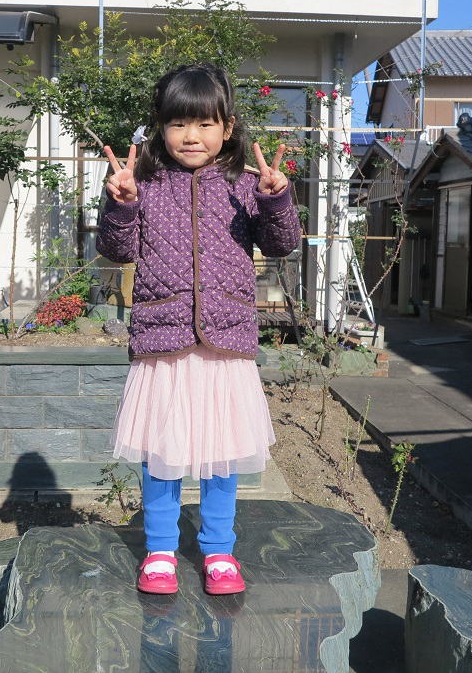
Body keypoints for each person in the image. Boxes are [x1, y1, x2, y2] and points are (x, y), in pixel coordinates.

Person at [95, 63, 302, 595]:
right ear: (161, 127)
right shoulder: (142, 184)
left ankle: (219, 552)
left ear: (227, 128)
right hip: (163, 340)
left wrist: (276, 199)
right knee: (161, 455)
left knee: (221, 452)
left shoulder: (246, 185)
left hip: (225, 341)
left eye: (206, 124)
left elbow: (281, 245)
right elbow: (118, 251)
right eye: (179, 123)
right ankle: (160, 552)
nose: (192, 136)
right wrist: (119, 205)